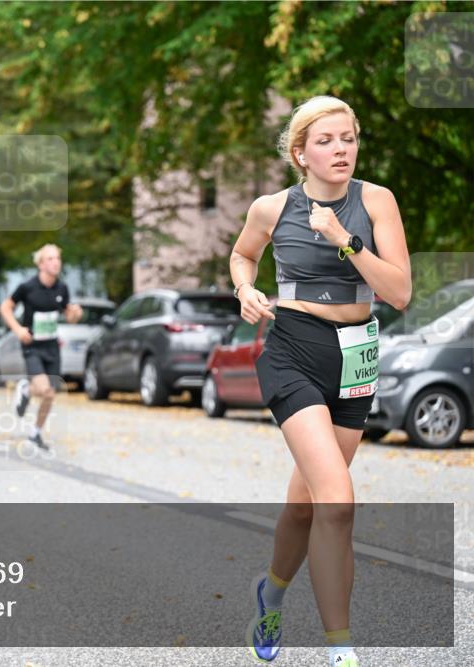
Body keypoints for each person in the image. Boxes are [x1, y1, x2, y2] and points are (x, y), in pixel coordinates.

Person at [230, 96, 411, 667]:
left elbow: (400, 293)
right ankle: (343, 651)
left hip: (357, 356)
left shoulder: (376, 201)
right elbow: (242, 255)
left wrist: (346, 240)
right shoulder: (272, 207)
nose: (341, 150)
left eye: (349, 138)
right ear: (300, 153)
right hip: (294, 349)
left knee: (306, 504)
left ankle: (271, 594)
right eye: (327, 140)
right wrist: (246, 290)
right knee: (337, 501)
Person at [0, 244, 82, 451]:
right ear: (41, 263)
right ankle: (26, 388)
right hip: (32, 345)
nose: (56, 262)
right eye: (51, 259)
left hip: (52, 346)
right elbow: (5, 307)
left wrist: (75, 313)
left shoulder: (62, 288)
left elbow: (69, 317)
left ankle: (36, 433)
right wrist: (18, 330)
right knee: (44, 388)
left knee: (50, 394)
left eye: (58, 259)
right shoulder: (28, 287)